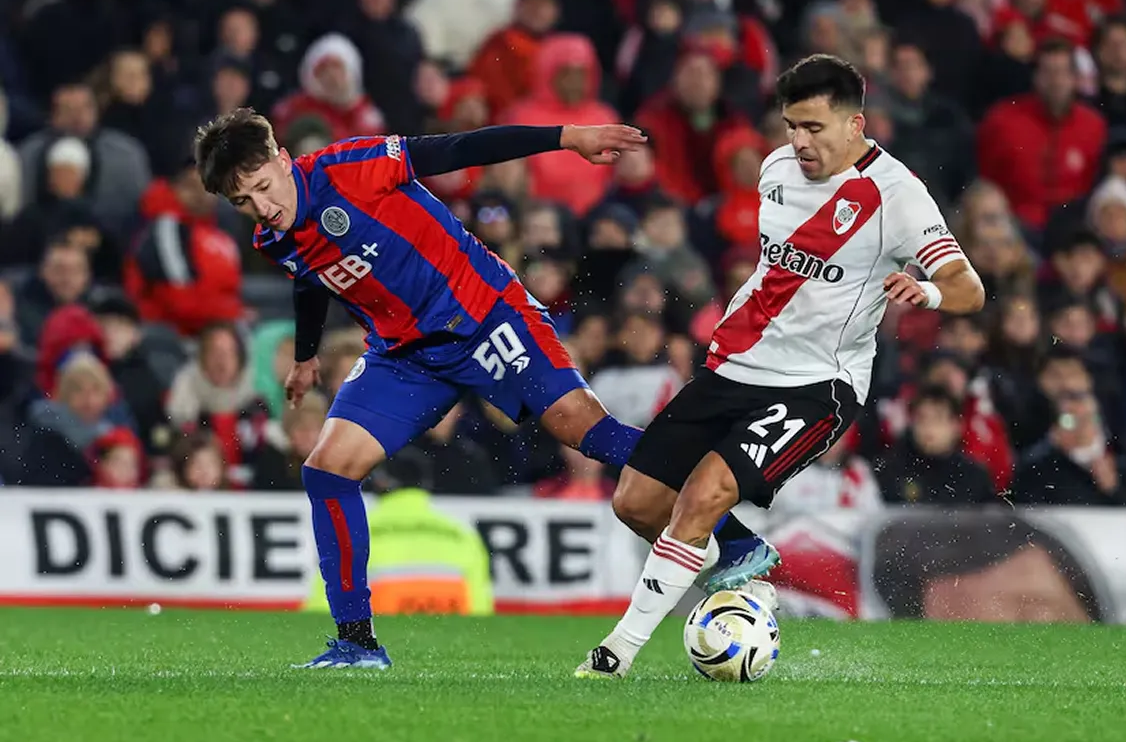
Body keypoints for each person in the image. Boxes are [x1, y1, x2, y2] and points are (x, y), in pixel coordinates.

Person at [193, 108, 707, 669]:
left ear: (282, 160)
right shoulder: (272, 235)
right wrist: (308, 355)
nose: (262, 207)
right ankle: (356, 644)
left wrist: (567, 138)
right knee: (327, 469)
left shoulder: (351, 167)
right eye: (244, 202)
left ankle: (729, 534)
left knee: (584, 430)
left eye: (264, 187)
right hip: (406, 354)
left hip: (483, 312)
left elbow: (460, 148)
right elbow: (311, 278)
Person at [575, 54, 985, 679]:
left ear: (855, 124)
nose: (799, 141)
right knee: (635, 501)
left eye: (815, 128)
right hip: (735, 365)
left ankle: (614, 656)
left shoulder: (897, 196)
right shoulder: (774, 168)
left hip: (817, 385)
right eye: (792, 124)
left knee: (706, 493)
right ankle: (742, 548)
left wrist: (925, 292)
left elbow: (968, 287)